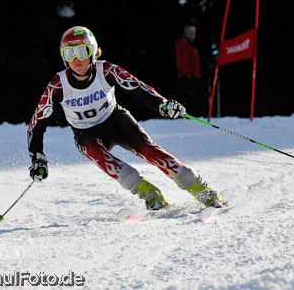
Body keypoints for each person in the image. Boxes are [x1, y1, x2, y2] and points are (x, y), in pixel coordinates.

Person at [27, 26, 226, 211]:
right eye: (69, 54)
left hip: (116, 121)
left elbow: (138, 88)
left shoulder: (105, 71)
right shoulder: (58, 86)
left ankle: (202, 190)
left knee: (149, 150)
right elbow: (36, 125)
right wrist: (37, 157)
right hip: (85, 133)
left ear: (93, 52)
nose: (76, 60)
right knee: (96, 153)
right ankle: (150, 193)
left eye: (82, 52)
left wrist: (162, 104)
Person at [175, 24, 207, 116]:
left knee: (198, 100)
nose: (192, 35)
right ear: (186, 33)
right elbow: (182, 61)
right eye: (190, 33)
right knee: (191, 100)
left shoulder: (191, 44)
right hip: (188, 77)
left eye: (194, 33)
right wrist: (189, 75)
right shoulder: (182, 43)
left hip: (195, 75)